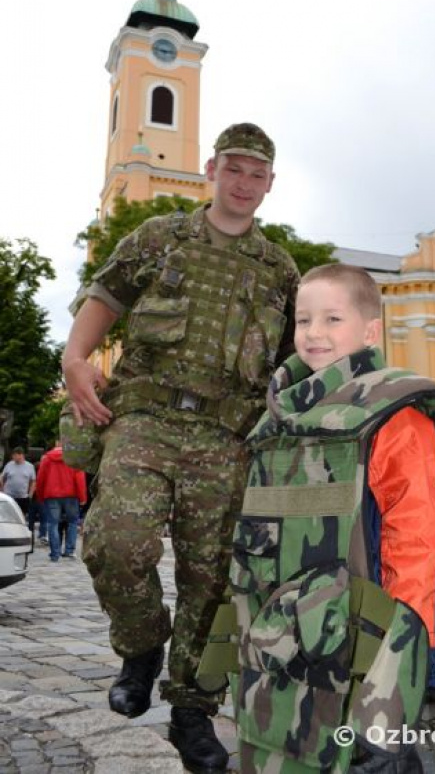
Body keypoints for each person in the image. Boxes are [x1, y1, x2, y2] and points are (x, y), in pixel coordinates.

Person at [61, 123, 299, 773]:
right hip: (145, 417)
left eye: (258, 174)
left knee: (213, 577)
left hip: (227, 438)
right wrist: (75, 357)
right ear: (212, 169)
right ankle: (140, 644)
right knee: (115, 542)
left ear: (270, 184)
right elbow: (104, 295)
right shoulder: (160, 236)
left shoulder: (279, 270)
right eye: (235, 169)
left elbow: (290, 364)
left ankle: (192, 707)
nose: (245, 183)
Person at [224, 264, 435, 772]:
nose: (314, 333)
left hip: (368, 632)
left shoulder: (394, 410)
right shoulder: (280, 417)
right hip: (286, 633)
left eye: (332, 319)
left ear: (370, 331)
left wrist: (402, 650)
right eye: (304, 320)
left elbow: (416, 535)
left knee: (374, 755)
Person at [35, 442, 87, 562]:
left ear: (56, 445)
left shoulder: (47, 459)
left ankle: (55, 553)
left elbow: (40, 478)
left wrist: (40, 496)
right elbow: (79, 479)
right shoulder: (73, 458)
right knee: (73, 523)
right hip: (71, 495)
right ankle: (69, 551)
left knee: (52, 523)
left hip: (52, 495)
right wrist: (82, 497)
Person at [0, 447, 35, 517]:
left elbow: (33, 481)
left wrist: (30, 494)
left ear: (21, 455)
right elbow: (2, 477)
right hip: (9, 496)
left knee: (21, 516)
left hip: (23, 497)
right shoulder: (9, 465)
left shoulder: (30, 466)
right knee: (8, 516)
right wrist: (2, 490)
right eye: (13, 455)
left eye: (15, 455)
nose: (14, 457)